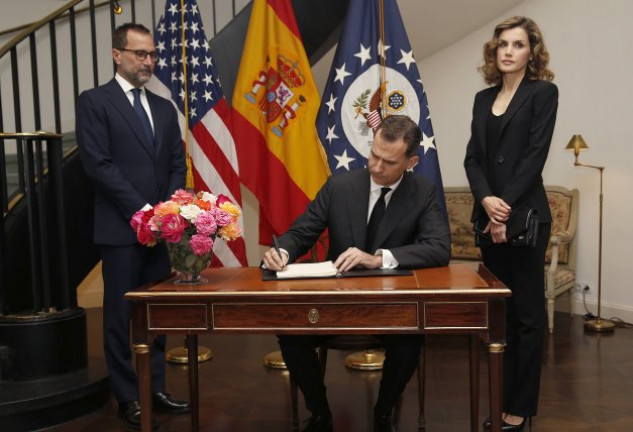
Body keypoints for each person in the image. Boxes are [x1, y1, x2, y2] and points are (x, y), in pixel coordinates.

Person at [263, 115, 451, 432]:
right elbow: (301, 233)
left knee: (411, 339)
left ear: (411, 161)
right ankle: (320, 412)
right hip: (335, 303)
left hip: (391, 305)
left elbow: (438, 248)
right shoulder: (340, 186)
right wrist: (281, 251)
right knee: (291, 333)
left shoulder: (423, 191)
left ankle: (384, 412)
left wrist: (379, 259)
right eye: (373, 155)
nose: (377, 166)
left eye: (388, 162)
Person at [76, 23, 190, 430]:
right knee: (119, 317)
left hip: (160, 231)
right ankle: (128, 396)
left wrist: (164, 214)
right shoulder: (95, 102)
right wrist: (142, 210)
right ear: (117, 54)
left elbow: (177, 163)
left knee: (155, 314)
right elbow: (98, 165)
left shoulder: (162, 107)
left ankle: (154, 388)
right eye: (140, 54)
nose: (148, 62)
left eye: (152, 54)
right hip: (121, 230)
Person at [464, 16, 558, 432]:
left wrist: (503, 207)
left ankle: (520, 407)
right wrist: (486, 202)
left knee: (528, 317)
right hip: (489, 221)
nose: (507, 51)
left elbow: (535, 156)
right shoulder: (482, 100)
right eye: (502, 44)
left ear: (531, 52)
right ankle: (501, 397)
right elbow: (473, 159)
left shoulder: (543, 93)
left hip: (527, 219)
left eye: (518, 44)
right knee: (498, 318)